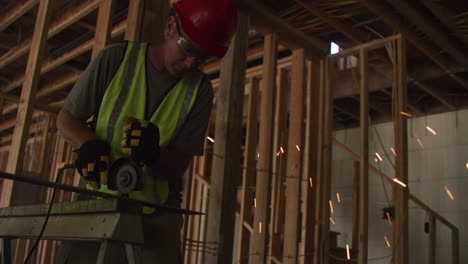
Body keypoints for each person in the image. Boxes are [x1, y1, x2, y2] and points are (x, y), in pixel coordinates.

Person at [55, 0, 237, 262]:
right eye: (188, 48)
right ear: (170, 26)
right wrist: (89, 144)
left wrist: (154, 155)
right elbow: (65, 119)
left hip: (155, 220)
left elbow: (178, 165)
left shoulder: (200, 92)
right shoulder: (115, 60)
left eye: (202, 58)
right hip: (95, 206)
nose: (190, 63)